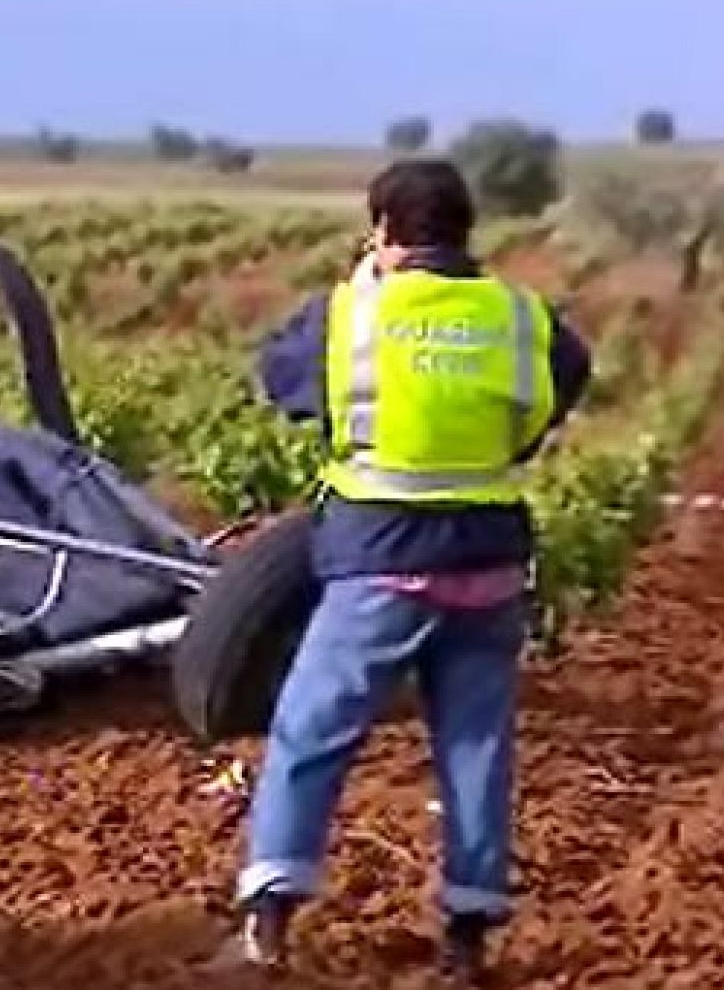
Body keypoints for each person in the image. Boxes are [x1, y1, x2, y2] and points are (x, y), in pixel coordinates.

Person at [231, 159, 592, 979]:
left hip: (380, 558)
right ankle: (467, 935)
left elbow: (280, 379)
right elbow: (566, 376)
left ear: (386, 230)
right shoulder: (519, 316)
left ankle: (268, 918)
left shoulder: (351, 312)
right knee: (474, 744)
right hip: (489, 560)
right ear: (467, 232)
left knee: (312, 730)